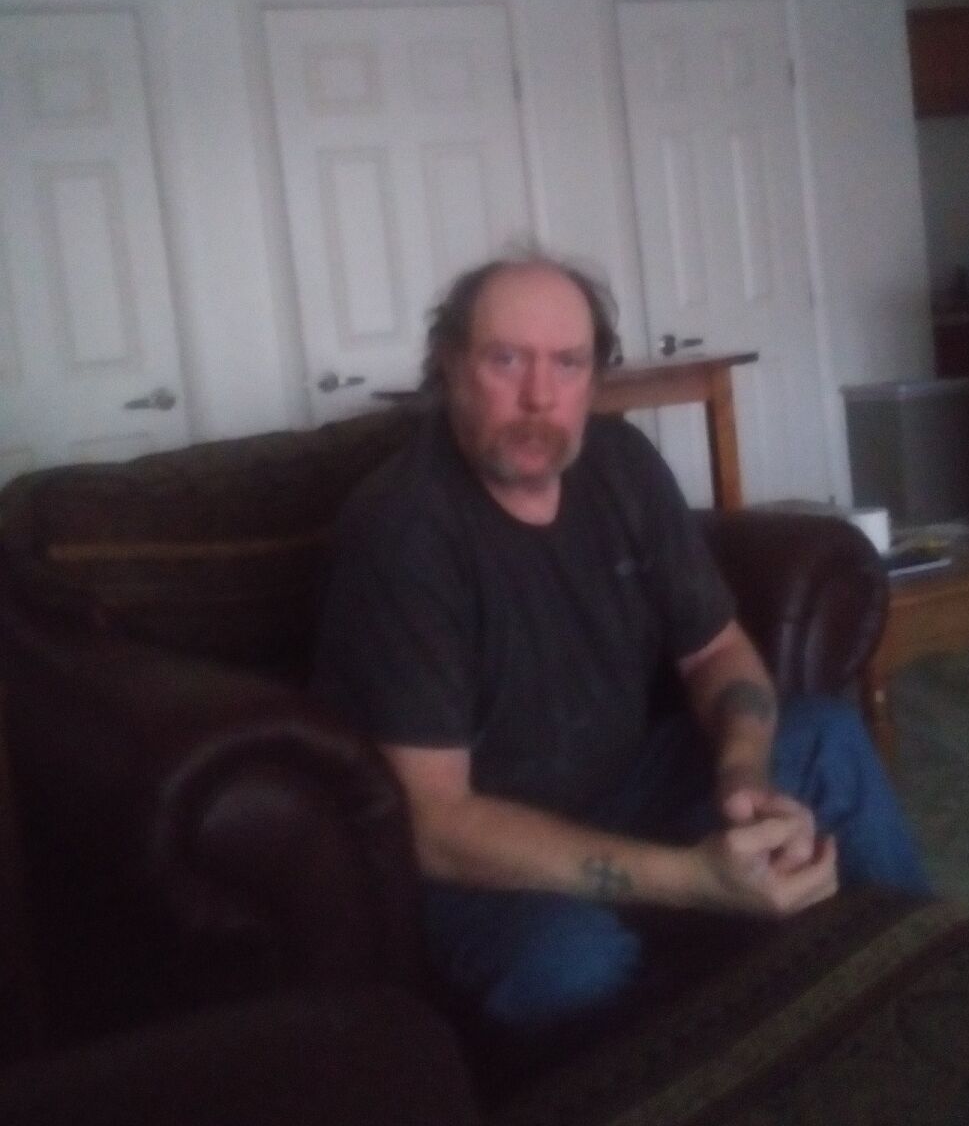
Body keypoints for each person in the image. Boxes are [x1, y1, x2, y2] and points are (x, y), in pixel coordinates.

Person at [313, 249, 929, 1037]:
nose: (540, 395)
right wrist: (692, 878)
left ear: (594, 378)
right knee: (566, 966)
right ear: (449, 368)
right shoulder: (402, 532)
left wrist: (742, 774)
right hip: (483, 851)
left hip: (626, 783)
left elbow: (716, 653)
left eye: (567, 363)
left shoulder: (621, 465)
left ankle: (932, 990)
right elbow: (435, 822)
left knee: (826, 740)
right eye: (506, 360)